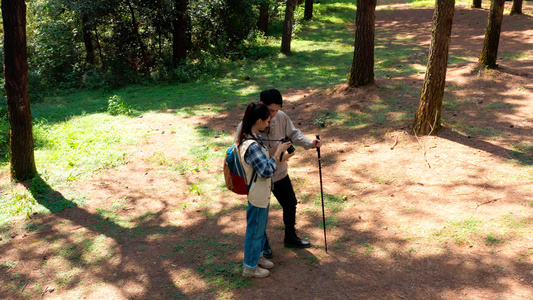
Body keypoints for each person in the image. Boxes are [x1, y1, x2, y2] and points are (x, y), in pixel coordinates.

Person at [235, 89, 322, 258]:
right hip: (259, 179)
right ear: (261, 106)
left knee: (290, 202)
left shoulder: (281, 117)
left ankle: (290, 237)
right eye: (271, 111)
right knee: (261, 212)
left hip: (279, 172)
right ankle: (263, 244)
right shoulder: (246, 124)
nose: (273, 115)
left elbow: (294, 133)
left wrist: (310, 143)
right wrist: (275, 152)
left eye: (276, 110)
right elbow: (239, 149)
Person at [238, 102, 291, 278]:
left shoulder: (252, 136)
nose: (268, 124)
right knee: (254, 231)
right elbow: (266, 170)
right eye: (267, 121)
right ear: (259, 120)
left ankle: (257, 257)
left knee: (259, 229)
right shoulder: (251, 145)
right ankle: (250, 268)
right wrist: (278, 155)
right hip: (258, 193)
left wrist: (278, 148)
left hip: (262, 192)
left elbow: (263, 161)